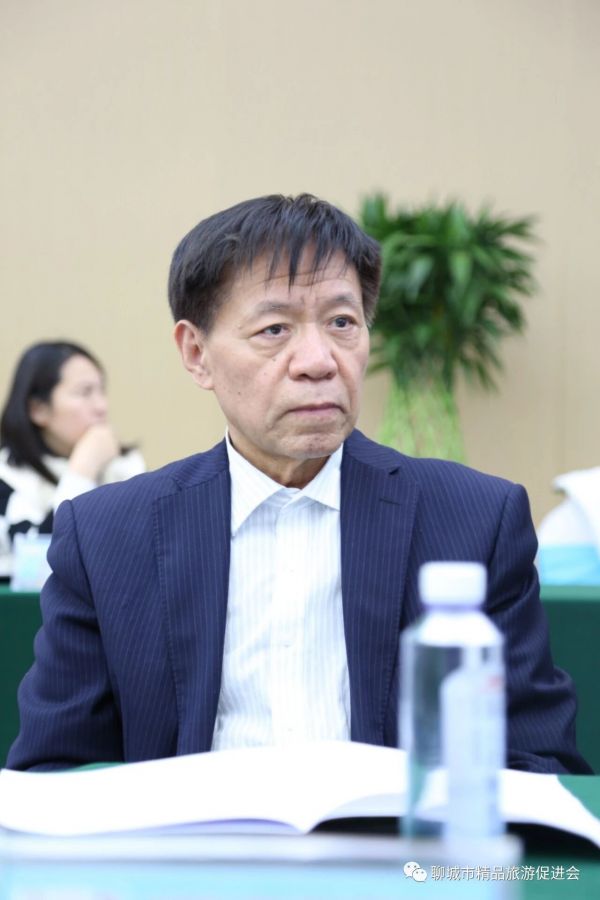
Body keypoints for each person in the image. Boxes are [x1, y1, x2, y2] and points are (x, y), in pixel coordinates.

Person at [7, 195, 591, 774]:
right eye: (274, 329)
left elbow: (539, 761)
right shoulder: (107, 536)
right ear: (196, 352)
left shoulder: (475, 521)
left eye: (342, 323)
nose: (318, 361)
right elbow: (55, 771)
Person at [0, 341, 145, 582]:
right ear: (38, 409)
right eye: (85, 392)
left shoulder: (125, 467)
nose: (101, 406)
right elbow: (38, 569)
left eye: (101, 391)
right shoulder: (7, 477)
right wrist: (82, 470)